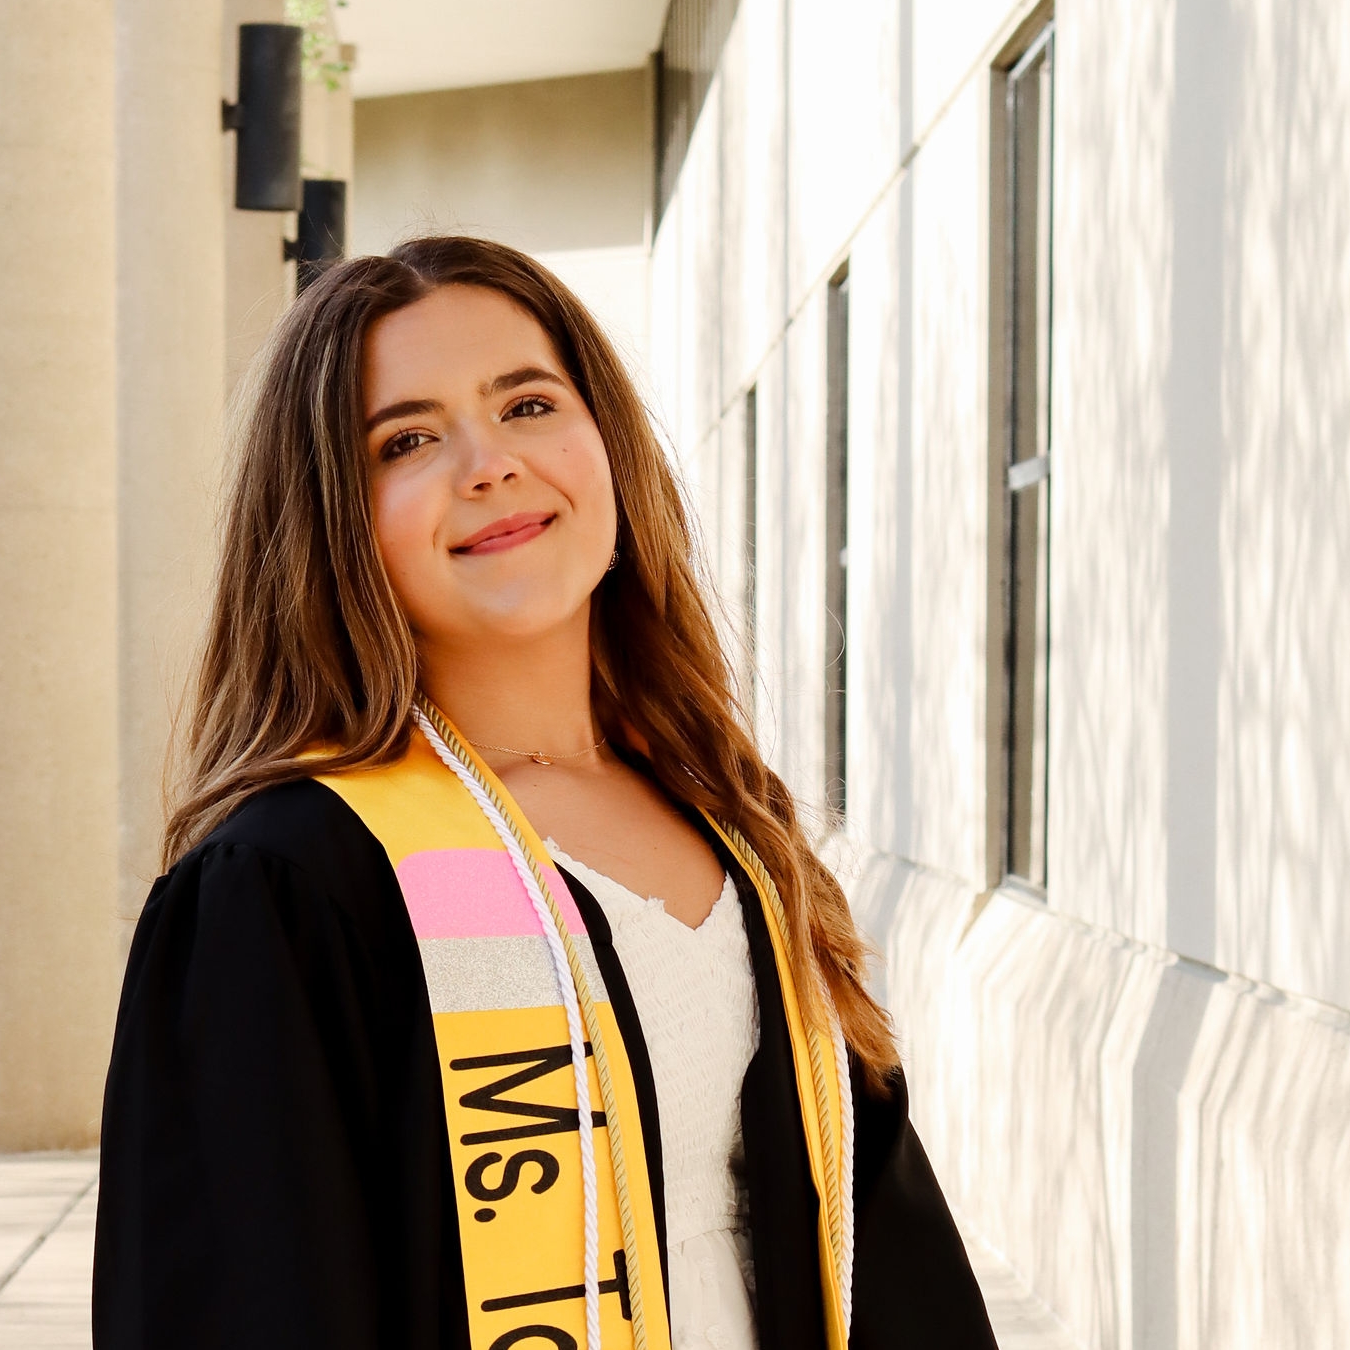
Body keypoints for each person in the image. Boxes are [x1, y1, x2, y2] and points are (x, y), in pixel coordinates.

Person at [94, 236, 997, 1350]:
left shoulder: (728, 819)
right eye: (408, 440)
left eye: (526, 405)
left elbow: (883, 1241)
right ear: (334, 519)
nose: (489, 463)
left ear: (604, 442)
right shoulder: (290, 883)